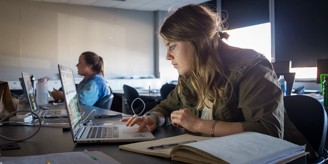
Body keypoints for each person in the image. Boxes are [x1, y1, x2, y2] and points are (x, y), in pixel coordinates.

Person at [122, 4, 316, 158]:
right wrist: (154, 118)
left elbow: (268, 131)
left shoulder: (252, 67)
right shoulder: (192, 75)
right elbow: (167, 105)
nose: (168, 56)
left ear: (198, 41)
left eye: (172, 46)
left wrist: (199, 125)